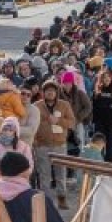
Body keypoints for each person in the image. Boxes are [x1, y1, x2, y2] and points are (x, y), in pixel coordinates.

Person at [33, 81, 76, 209]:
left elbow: (72, 123)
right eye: (47, 90)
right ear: (43, 93)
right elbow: (33, 124)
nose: (50, 93)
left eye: (53, 90)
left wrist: (59, 121)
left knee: (61, 174)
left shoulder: (64, 105)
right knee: (44, 175)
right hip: (42, 145)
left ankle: (62, 198)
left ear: (57, 93)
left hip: (59, 145)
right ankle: (46, 201)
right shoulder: (37, 106)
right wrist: (35, 141)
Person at [91, 69, 112, 163]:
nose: (107, 79)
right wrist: (94, 120)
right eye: (104, 78)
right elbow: (94, 106)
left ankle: (110, 161)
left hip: (110, 121)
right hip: (99, 121)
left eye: (108, 77)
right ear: (101, 79)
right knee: (98, 141)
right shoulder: (97, 91)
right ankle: (98, 159)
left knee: (110, 142)